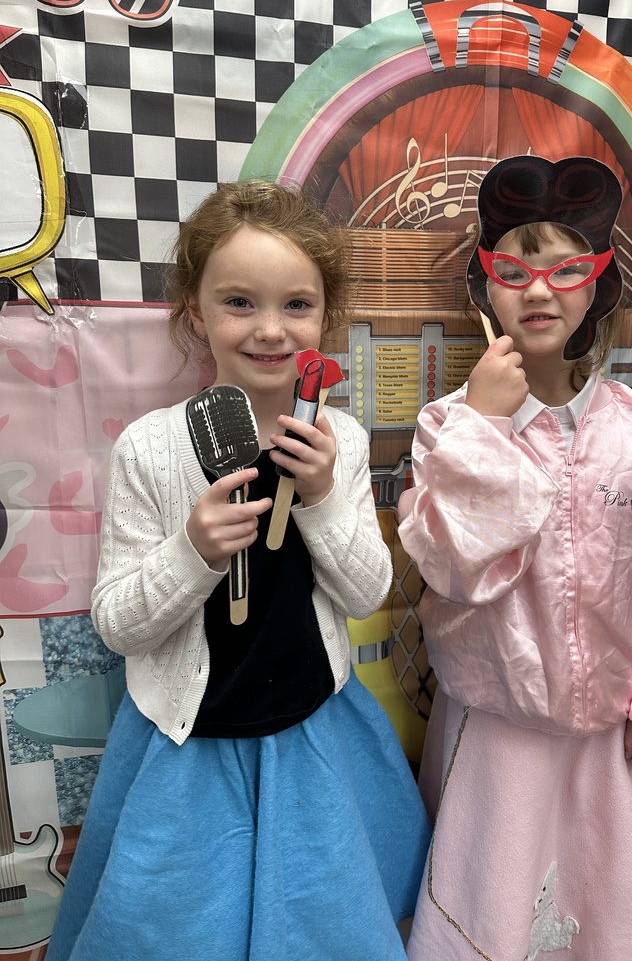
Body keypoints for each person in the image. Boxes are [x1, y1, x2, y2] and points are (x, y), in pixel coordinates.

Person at [47, 180, 430, 961]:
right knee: (183, 930)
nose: (270, 330)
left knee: (319, 922)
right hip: (187, 747)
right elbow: (117, 624)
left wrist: (321, 498)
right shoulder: (150, 450)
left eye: (296, 305)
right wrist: (191, 552)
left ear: (326, 317)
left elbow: (368, 593)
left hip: (312, 734)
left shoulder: (342, 441)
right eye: (239, 303)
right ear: (195, 311)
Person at [398, 156, 632, 961]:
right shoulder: (448, 427)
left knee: (615, 917)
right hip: (497, 739)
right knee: (492, 909)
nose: (539, 292)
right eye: (513, 271)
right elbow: (452, 567)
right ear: (486, 284)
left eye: (566, 270)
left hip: (615, 742)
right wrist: (485, 429)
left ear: (598, 285)